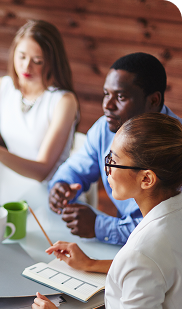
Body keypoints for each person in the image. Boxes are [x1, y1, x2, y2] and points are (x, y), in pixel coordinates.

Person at [31, 112, 182, 309]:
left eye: (113, 160)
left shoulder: (142, 253)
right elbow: (158, 271)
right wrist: (90, 264)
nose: (107, 169)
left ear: (146, 179)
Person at [48, 52, 182, 245]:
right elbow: (76, 167)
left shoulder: (175, 146)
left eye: (120, 96)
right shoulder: (105, 128)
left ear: (153, 100)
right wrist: (61, 186)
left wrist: (100, 226)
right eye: (106, 94)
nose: (107, 105)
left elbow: (166, 230)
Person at [0, 20, 79, 182]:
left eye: (37, 61)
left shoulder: (64, 101)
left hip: (53, 189)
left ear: (52, 62)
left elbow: (42, 172)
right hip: (14, 180)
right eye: (21, 57)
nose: (26, 67)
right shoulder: (0, 87)